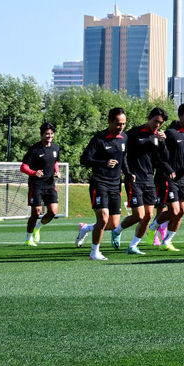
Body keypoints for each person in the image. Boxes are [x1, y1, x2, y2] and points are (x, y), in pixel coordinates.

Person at [109, 107, 167, 255]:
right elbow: (122, 153)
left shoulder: (157, 137)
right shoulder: (134, 133)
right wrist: (127, 172)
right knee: (139, 215)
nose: (157, 125)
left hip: (149, 179)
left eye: (160, 123)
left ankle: (133, 246)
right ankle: (117, 230)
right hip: (134, 178)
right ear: (149, 117)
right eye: (156, 121)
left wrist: (162, 143)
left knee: (148, 216)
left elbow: (163, 158)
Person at [75, 107, 128, 261]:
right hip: (100, 183)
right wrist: (104, 162)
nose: (121, 127)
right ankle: (94, 252)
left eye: (123, 124)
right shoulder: (99, 139)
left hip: (115, 184)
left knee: (112, 224)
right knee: (103, 219)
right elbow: (84, 159)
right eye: (118, 124)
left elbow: (123, 158)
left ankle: (86, 228)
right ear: (109, 121)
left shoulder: (124, 138)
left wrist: (128, 173)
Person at [150, 103, 184, 252]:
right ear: (180, 116)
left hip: (183, 178)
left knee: (182, 211)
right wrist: (169, 169)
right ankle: (153, 226)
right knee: (174, 211)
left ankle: (167, 241)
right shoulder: (171, 133)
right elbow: (161, 155)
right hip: (169, 177)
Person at [20, 122, 61, 247]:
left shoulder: (55, 148)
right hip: (36, 184)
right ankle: (28, 237)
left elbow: (55, 162)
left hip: (50, 184)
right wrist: (33, 172)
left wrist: (57, 171)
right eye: (46, 134)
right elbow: (23, 167)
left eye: (51, 134)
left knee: (53, 212)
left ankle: (39, 227)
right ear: (41, 134)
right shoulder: (34, 149)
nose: (49, 136)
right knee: (36, 212)